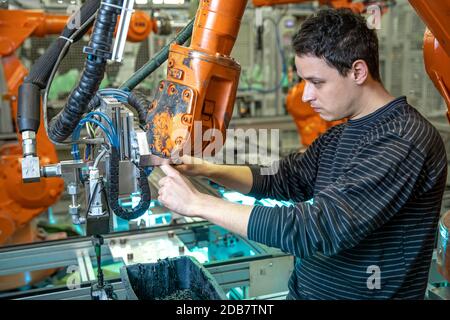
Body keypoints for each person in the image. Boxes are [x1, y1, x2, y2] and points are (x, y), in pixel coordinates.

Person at [157, 8, 447, 299]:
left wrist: (197, 203)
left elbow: (317, 229)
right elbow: (284, 177)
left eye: (317, 82)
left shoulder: (404, 139)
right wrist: (207, 169)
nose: (306, 95)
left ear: (358, 71)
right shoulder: (341, 133)